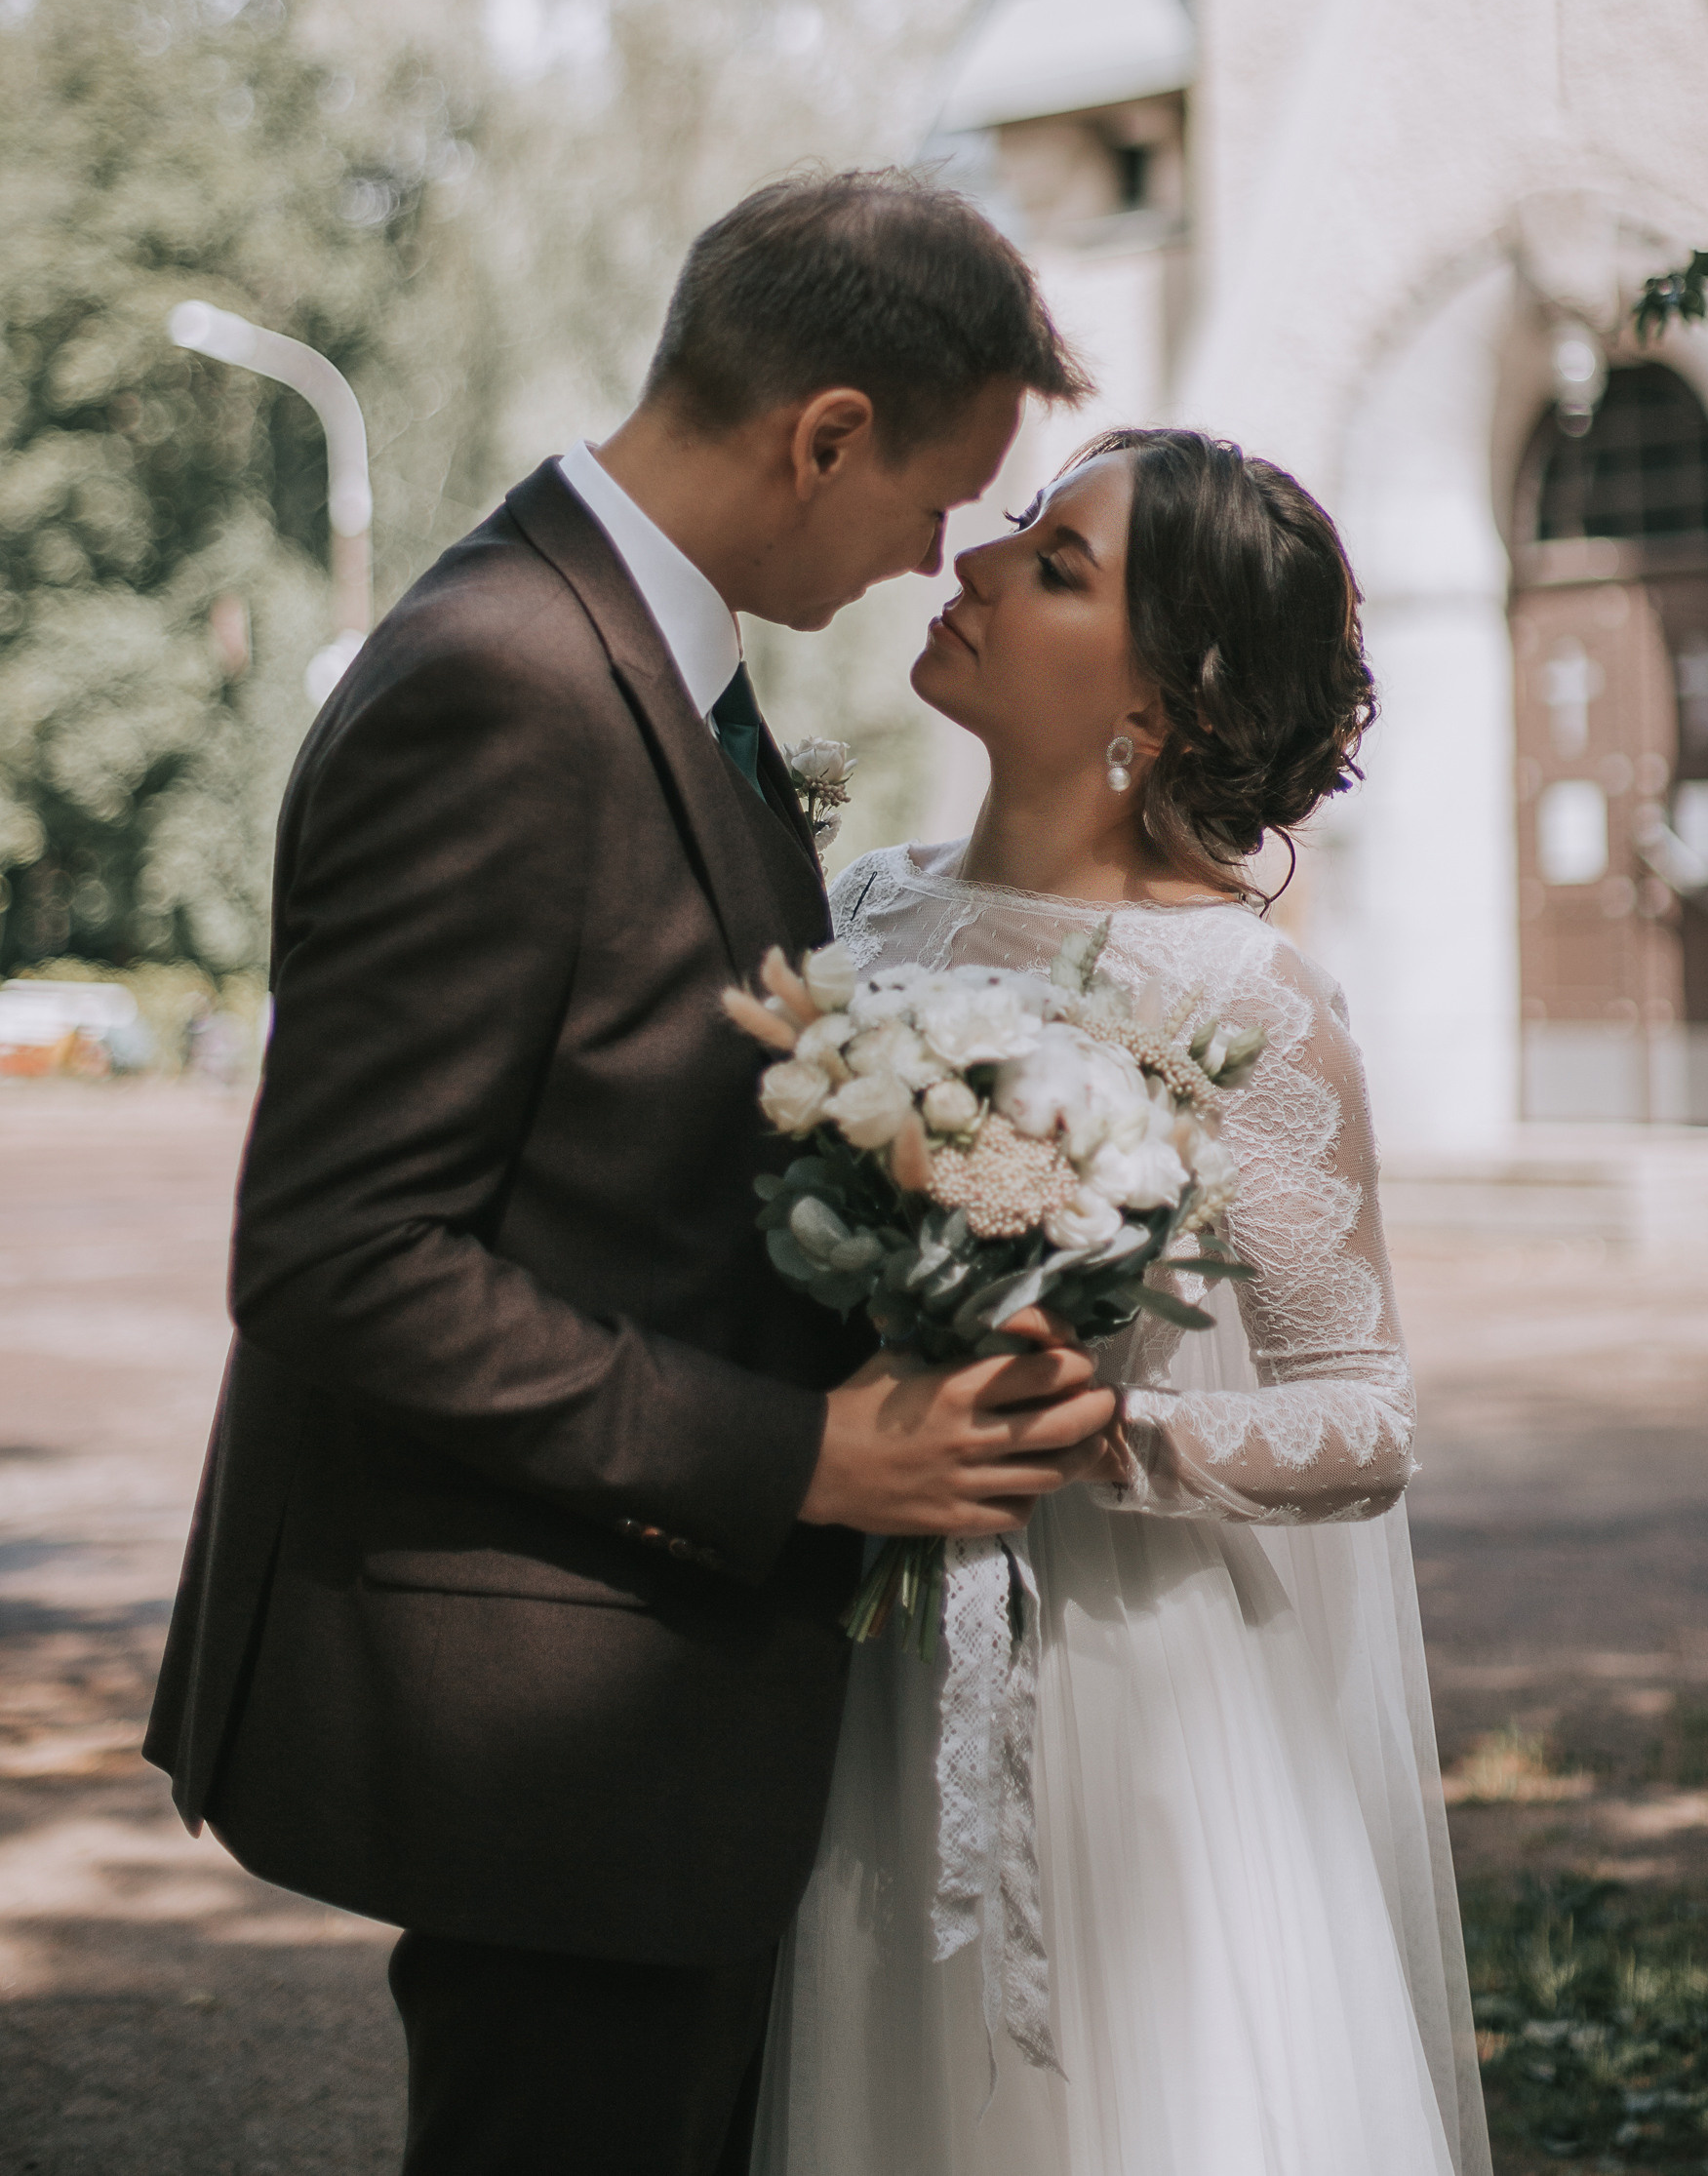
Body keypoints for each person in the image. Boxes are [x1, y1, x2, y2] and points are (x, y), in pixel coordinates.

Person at [145, 169, 1120, 2176]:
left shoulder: (655, 659)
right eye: (934, 497)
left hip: (651, 1708)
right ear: (821, 432)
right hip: (542, 1710)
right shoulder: (502, 686)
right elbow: (341, 1255)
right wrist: (803, 1458)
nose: (938, 556)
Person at [751, 429, 1493, 2176]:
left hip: (1123, 1701)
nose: (978, 567)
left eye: (1055, 563)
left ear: (1155, 709)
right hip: (850, 1647)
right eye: (1013, 530)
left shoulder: (1239, 991)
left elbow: (1366, 1412)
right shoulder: (858, 913)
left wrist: (1109, 1430)